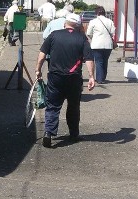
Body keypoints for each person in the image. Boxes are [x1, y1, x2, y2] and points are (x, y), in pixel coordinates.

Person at [35, 12, 95, 148]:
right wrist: (91, 76)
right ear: (78, 25)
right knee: (73, 106)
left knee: (53, 106)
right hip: (74, 78)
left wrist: (38, 70)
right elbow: (89, 59)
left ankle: (48, 133)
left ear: (65, 23)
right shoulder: (82, 38)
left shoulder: (54, 35)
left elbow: (42, 55)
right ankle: (73, 134)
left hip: (55, 77)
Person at [85, 6, 116, 83]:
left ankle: (99, 79)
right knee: (105, 61)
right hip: (108, 44)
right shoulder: (110, 21)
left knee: (98, 61)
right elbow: (113, 32)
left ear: (97, 13)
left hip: (97, 44)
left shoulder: (93, 21)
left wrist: (93, 38)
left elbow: (89, 33)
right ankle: (103, 77)